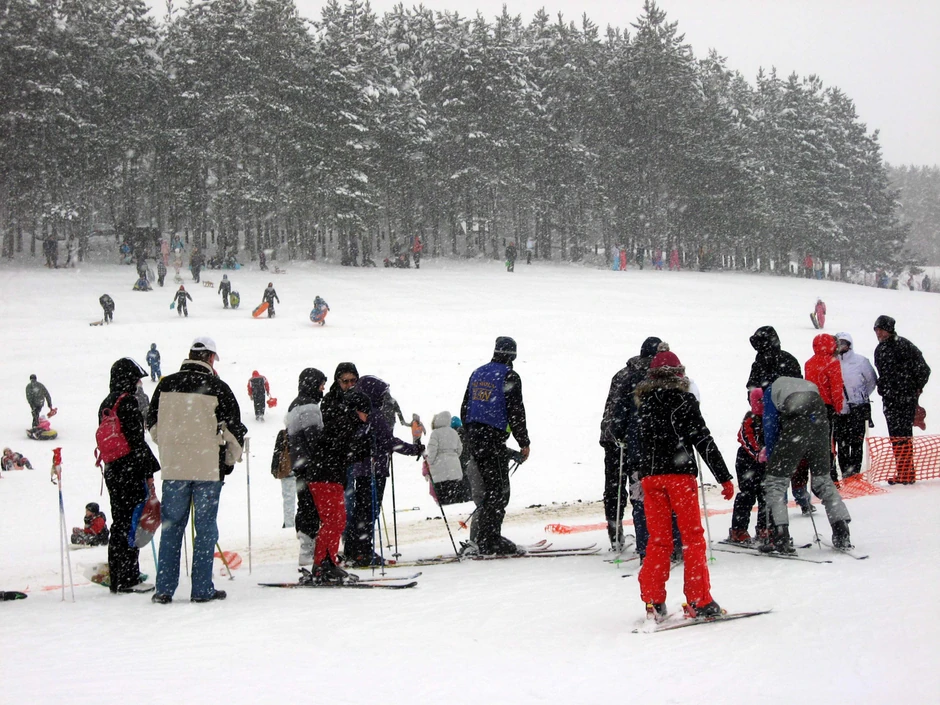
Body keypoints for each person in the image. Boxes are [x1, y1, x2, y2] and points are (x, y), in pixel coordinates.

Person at [634, 348, 734, 621]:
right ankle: (699, 600)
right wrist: (723, 476)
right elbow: (703, 439)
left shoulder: (644, 405)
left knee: (658, 541)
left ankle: (653, 601)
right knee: (692, 538)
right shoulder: (684, 401)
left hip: (651, 478)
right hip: (679, 477)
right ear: (679, 374)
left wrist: (643, 473)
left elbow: (639, 444)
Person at [147, 337, 246, 603]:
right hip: (207, 469)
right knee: (205, 530)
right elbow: (234, 431)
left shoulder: (165, 384)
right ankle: (201, 589)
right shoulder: (218, 387)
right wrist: (228, 460)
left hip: (174, 468)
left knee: (171, 529)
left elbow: (152, 424)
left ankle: (164, 588)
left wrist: (170, 447)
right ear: (211, 358)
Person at [761, 377, 853, 552]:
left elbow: (770, 425)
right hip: (820, 425)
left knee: (776, 484)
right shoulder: (808, 385)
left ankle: (780, 535)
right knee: (823, 480)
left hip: (796, 426)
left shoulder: (771, 391)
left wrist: (773, 457)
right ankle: (841, 530)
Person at [459, 337, 530, 555]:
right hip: (493, 439)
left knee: (489, 489)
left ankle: (484, 536)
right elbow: (516, 411)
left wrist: (471, 434)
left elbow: (464, 407)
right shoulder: (509, 376)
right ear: (513, 355)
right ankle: (490, 539)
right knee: (498, 491)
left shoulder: (477, 373)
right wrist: (523, 441)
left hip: (475, 439)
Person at [344, 376, 424, 567]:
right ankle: (363, 551)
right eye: (382, 394)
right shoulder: (374, 414)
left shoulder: (357, 412)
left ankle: (353, 550)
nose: (385, 397)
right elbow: (389, 442)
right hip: (375, 468)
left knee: (361, 510)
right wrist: (414, 449)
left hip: (361, 468)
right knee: (369, 511)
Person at [99, 358, 160, 592]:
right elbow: (137, 442)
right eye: (136, 380)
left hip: (112, 470)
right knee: (132, 523)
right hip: (130, 471)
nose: (137, 384)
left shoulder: (107, 403)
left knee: (119, 522)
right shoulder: (128, 402)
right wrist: (148, 473)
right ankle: (128, 577)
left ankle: (118, 575)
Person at [304, 364, 369, 583]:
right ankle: (323, 564)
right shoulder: (334, 405)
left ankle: (326, 562)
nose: (350, 385)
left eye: (353, 381)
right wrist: (357, 444)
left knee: (337, 520)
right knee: (334, 520)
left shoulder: (349, 409)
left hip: (332, 471)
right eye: (345, 381)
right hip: (324, 472)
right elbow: (336, 438)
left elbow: (346, 444)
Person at [600, 336, 661, 552]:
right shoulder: (652, 375)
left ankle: (615, 532)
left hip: (612, 437)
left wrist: (612, 432)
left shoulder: (622, 373)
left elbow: (612, 406)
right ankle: (643, 534)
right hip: (636, 439)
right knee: (638, 488)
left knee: (614, 487)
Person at [873, 315, 931, 484]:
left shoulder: (905, 346)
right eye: (876, 330)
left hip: (905, 399)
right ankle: (903, 472)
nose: (878, 333)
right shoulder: (880, 349)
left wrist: (915, 388)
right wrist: (883, 386)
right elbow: (883, 374)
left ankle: (906, 473)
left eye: (881, 330)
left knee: (903, 436)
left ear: (889, 329)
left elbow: (924, 369)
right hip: (889, 399)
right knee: (895, 437)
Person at [284, 367, 328, 572]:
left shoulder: (294, 405)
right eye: (321, 385)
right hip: (312, 465)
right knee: (313, 506)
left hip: (300, 464)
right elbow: (315, 439)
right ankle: (309, 549)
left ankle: (306, 545)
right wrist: (325, 457)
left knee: (305, 504)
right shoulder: (309, 406)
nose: (323, 389)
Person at [833, 333, 877, 479]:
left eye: (844, 343)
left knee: (857, 443)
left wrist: (860, 396)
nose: (841, 346)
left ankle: (855, 473)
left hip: (857, 408)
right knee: (842, 444)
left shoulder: (861, 361)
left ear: (849, 344)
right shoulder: (831, 361)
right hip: (839, 410)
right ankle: (846, 474)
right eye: (838, 343)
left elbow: (871, 381)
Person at [729, 388, 768, 544]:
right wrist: (757, 453)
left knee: (766, 495)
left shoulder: (771, 417)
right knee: (747, 494)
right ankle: (738, 529)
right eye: (759, 401)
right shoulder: (749, 419)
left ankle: (765, 527)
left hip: (765, 462)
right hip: (747, 461)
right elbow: (745, 438)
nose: (762, 404)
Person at [804, 334, 845, 482]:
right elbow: (836, 387)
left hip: (810, 407)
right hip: (826, 407)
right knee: (828, 443)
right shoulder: (832, 363)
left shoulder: (809, 363)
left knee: (815, 442)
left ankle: (816, 475)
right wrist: (838, 407)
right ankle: (830, 477)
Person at [424, 410, 469, 505]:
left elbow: (432, 451)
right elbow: (460, 449)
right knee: (454, 494)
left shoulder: (435, 433)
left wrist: (430, 461)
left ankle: (446, 505)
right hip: (454, 467)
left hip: (440, 468)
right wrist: (453, 457)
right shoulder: (454, 432)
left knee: (443, 496)